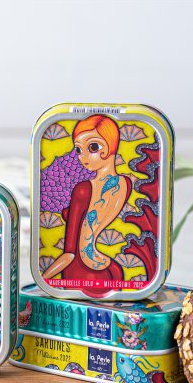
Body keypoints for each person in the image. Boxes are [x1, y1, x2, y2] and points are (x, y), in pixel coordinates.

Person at [42, 114, 132, 286]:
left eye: (93, 147)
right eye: (78, 150)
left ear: (110, 145)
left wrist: (43, 281)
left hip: (79, 270)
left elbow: (69, 253)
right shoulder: (125, 183)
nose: (82, 157)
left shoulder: (83, 190)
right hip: (113, 268)